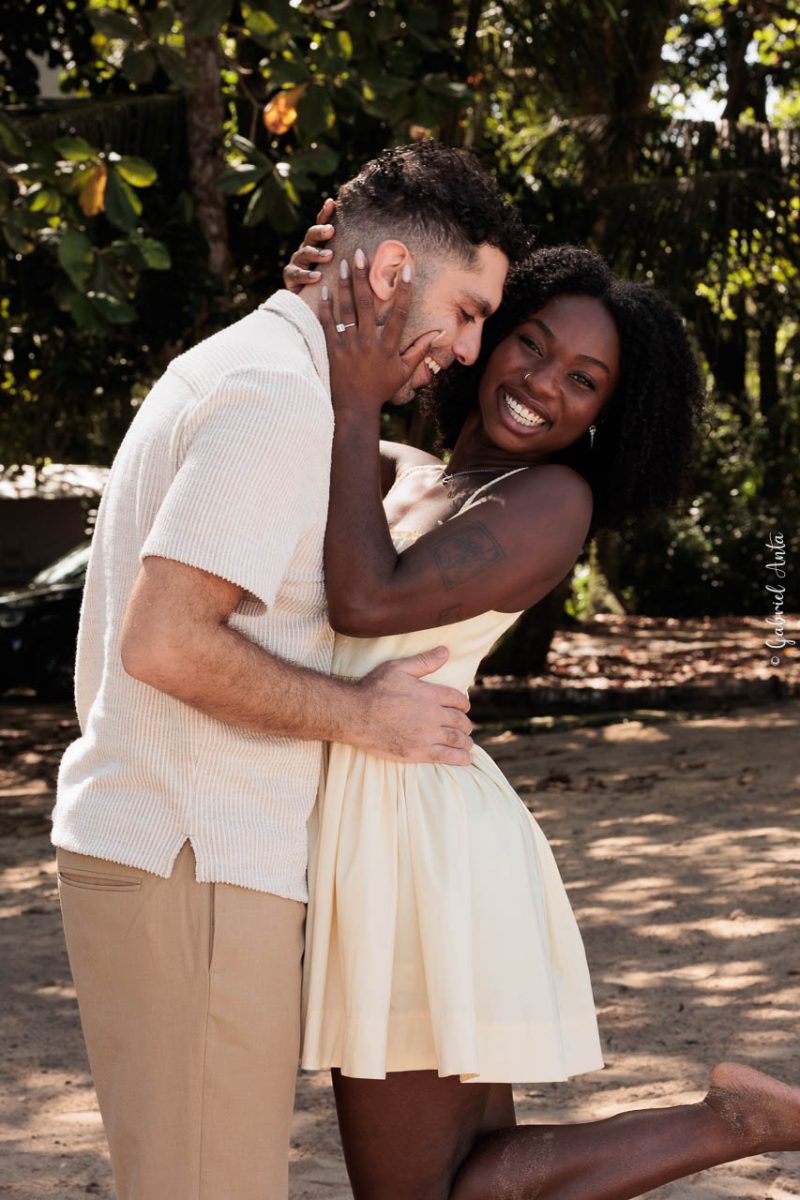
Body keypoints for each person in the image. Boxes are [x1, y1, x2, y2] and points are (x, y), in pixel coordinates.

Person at [50, 141, 531, 1200]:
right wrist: (362, 715)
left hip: (192, 865)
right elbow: (166, 640)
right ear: (391, 270)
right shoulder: (273, 395)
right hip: (190, 864)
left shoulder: (267, 374)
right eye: (462, 310)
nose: (465, 347)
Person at [282, 232, 800, 1199]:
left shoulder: (553, 499)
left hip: (416, 854)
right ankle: (733, 1119)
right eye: (531, 344)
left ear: (610, 415)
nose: (542, 381)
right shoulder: (421, 472)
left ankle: (732, 1123)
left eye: (583, 378)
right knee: (463, 1180)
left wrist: (355, 398)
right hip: (400, 837)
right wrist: (321, 307)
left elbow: (367, 602)